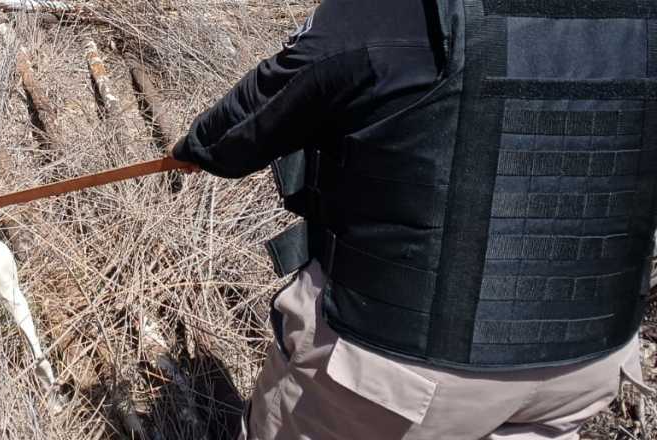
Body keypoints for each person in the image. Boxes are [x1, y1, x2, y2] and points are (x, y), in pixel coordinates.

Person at [169, 0, 657, 438]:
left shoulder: (405, 11)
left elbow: (251, 119)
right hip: (586, 366)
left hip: (399, 366)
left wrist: (198, 148)